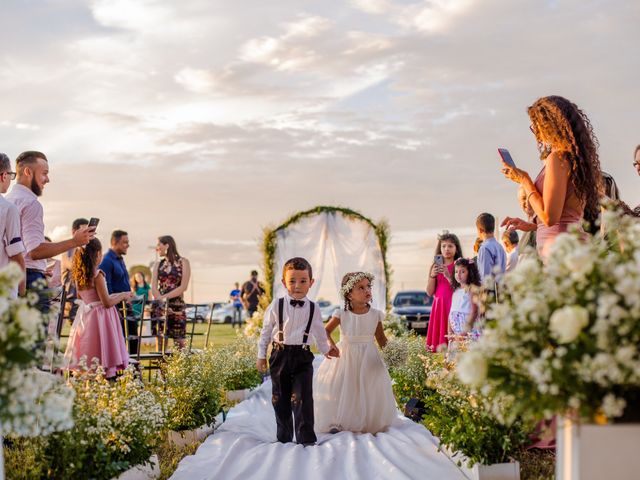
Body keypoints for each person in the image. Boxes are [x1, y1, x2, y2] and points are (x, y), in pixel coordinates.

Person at [500, 95, 603, 259]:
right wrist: (534, 226)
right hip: (567, 246)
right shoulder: (571, 159)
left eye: (535, 125)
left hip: (563, 252)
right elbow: (564, 216)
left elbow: (550, 217)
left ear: (549, 125)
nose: (535, 132)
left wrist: (525, 180)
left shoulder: (557, 158)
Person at [256, 257, 338, 446]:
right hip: (280, 355)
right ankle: (284, 436)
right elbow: (266, 331)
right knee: (280, 397)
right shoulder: (276, 305)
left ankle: (306, 437)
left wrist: (326, 349)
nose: (297, 285)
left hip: (303, 356)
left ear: (311, 282)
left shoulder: (314, 308)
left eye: (302, 281)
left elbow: (318, 332)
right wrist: (261, 355)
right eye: (292, 281)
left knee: (303, 397)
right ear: (284, 282)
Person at [6, 151, 94, 309]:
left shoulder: (6, 201)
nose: (48, 179)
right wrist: (75, 241)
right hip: (29, 280)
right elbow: (34, 251)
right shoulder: (31, 204)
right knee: (35, 334)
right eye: (44, 173)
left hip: (9, 279)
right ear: (28, 172)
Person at [314, 271, 397, 434]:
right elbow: (326, 331)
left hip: (369, 356)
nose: (367, 290)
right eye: (360, 288)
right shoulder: (342, 314)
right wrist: (331, 345)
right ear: (349, 294)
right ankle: (339, 420)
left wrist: (393, 354)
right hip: (346, 355)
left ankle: (367, 420)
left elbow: (381, 338)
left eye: (368, 286)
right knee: (343, 387)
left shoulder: (375, 315)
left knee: (368, 388)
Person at [64, 238, 130, 378]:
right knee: (102, 350)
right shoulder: (97, 275)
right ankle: (106, 381)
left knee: (89, 350)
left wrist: (114, 295)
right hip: (102, 318)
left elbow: (87, 298)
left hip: (87, 316)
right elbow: (106, 302)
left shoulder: (79, 276)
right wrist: (123, 295)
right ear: (98, 254)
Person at [151, 235, 190, 351]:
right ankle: (161, 369)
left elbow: (183, 287)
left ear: (167, 245)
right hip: (160, 307)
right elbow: (153, 287)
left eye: (158, 245)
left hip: (177, 307)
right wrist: (161, 301)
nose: (156, 248)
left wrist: (164, 298)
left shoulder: (184, 262)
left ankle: (181, 369)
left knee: (180, 343)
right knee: (161, 343)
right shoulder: (158, 264)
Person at [425, 231, 462, 352]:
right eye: (443, 246)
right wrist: (432, 276)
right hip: (439, 307)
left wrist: (448, 275)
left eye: (450, 246)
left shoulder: (460, 266)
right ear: (440, 248)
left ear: (456, 248)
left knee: (455, 343)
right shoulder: (434, 267)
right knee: (439, 346)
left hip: (454, 305)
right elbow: (429, 292)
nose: (447, 249)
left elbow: (461, 288)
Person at [99, 230, 134, 351]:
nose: (128, 245)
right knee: (120, 344)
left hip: (127, 307)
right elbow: (106, 287)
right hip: (117, 309)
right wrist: (115, 309)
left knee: (133, 342)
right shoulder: (106, 261)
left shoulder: (120, 259)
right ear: (114, 242)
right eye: (125, 242)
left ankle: (134, 369)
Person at [0, 152, 26, 296]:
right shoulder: (8, 209)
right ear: (4, 175)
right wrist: (23, 295)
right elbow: (16, 255)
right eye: (11, 175)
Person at [447, 258, 482, 357]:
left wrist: (464, 332)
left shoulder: (472, 290)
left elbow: (474, 312)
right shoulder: (456, 291)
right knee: (453, 362)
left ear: (470, 273)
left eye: (462, 271)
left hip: (468, 333)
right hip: (456, 335)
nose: (458, 274)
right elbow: (451, 312)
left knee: (469, 358)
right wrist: (449, 331)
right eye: (456, 271)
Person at [61, 218, 89, 321]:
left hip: (83, 299)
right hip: (71, 299)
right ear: (74, 232)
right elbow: (76, 267)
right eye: (84, 232)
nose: (87, 235)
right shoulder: (68, 249)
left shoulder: (85, 249)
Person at [476, 213, 507, 281]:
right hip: (501, 288)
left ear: (480, 230)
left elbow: (485, 276)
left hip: (490, 289)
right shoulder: (500, 246)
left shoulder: (484, 248)